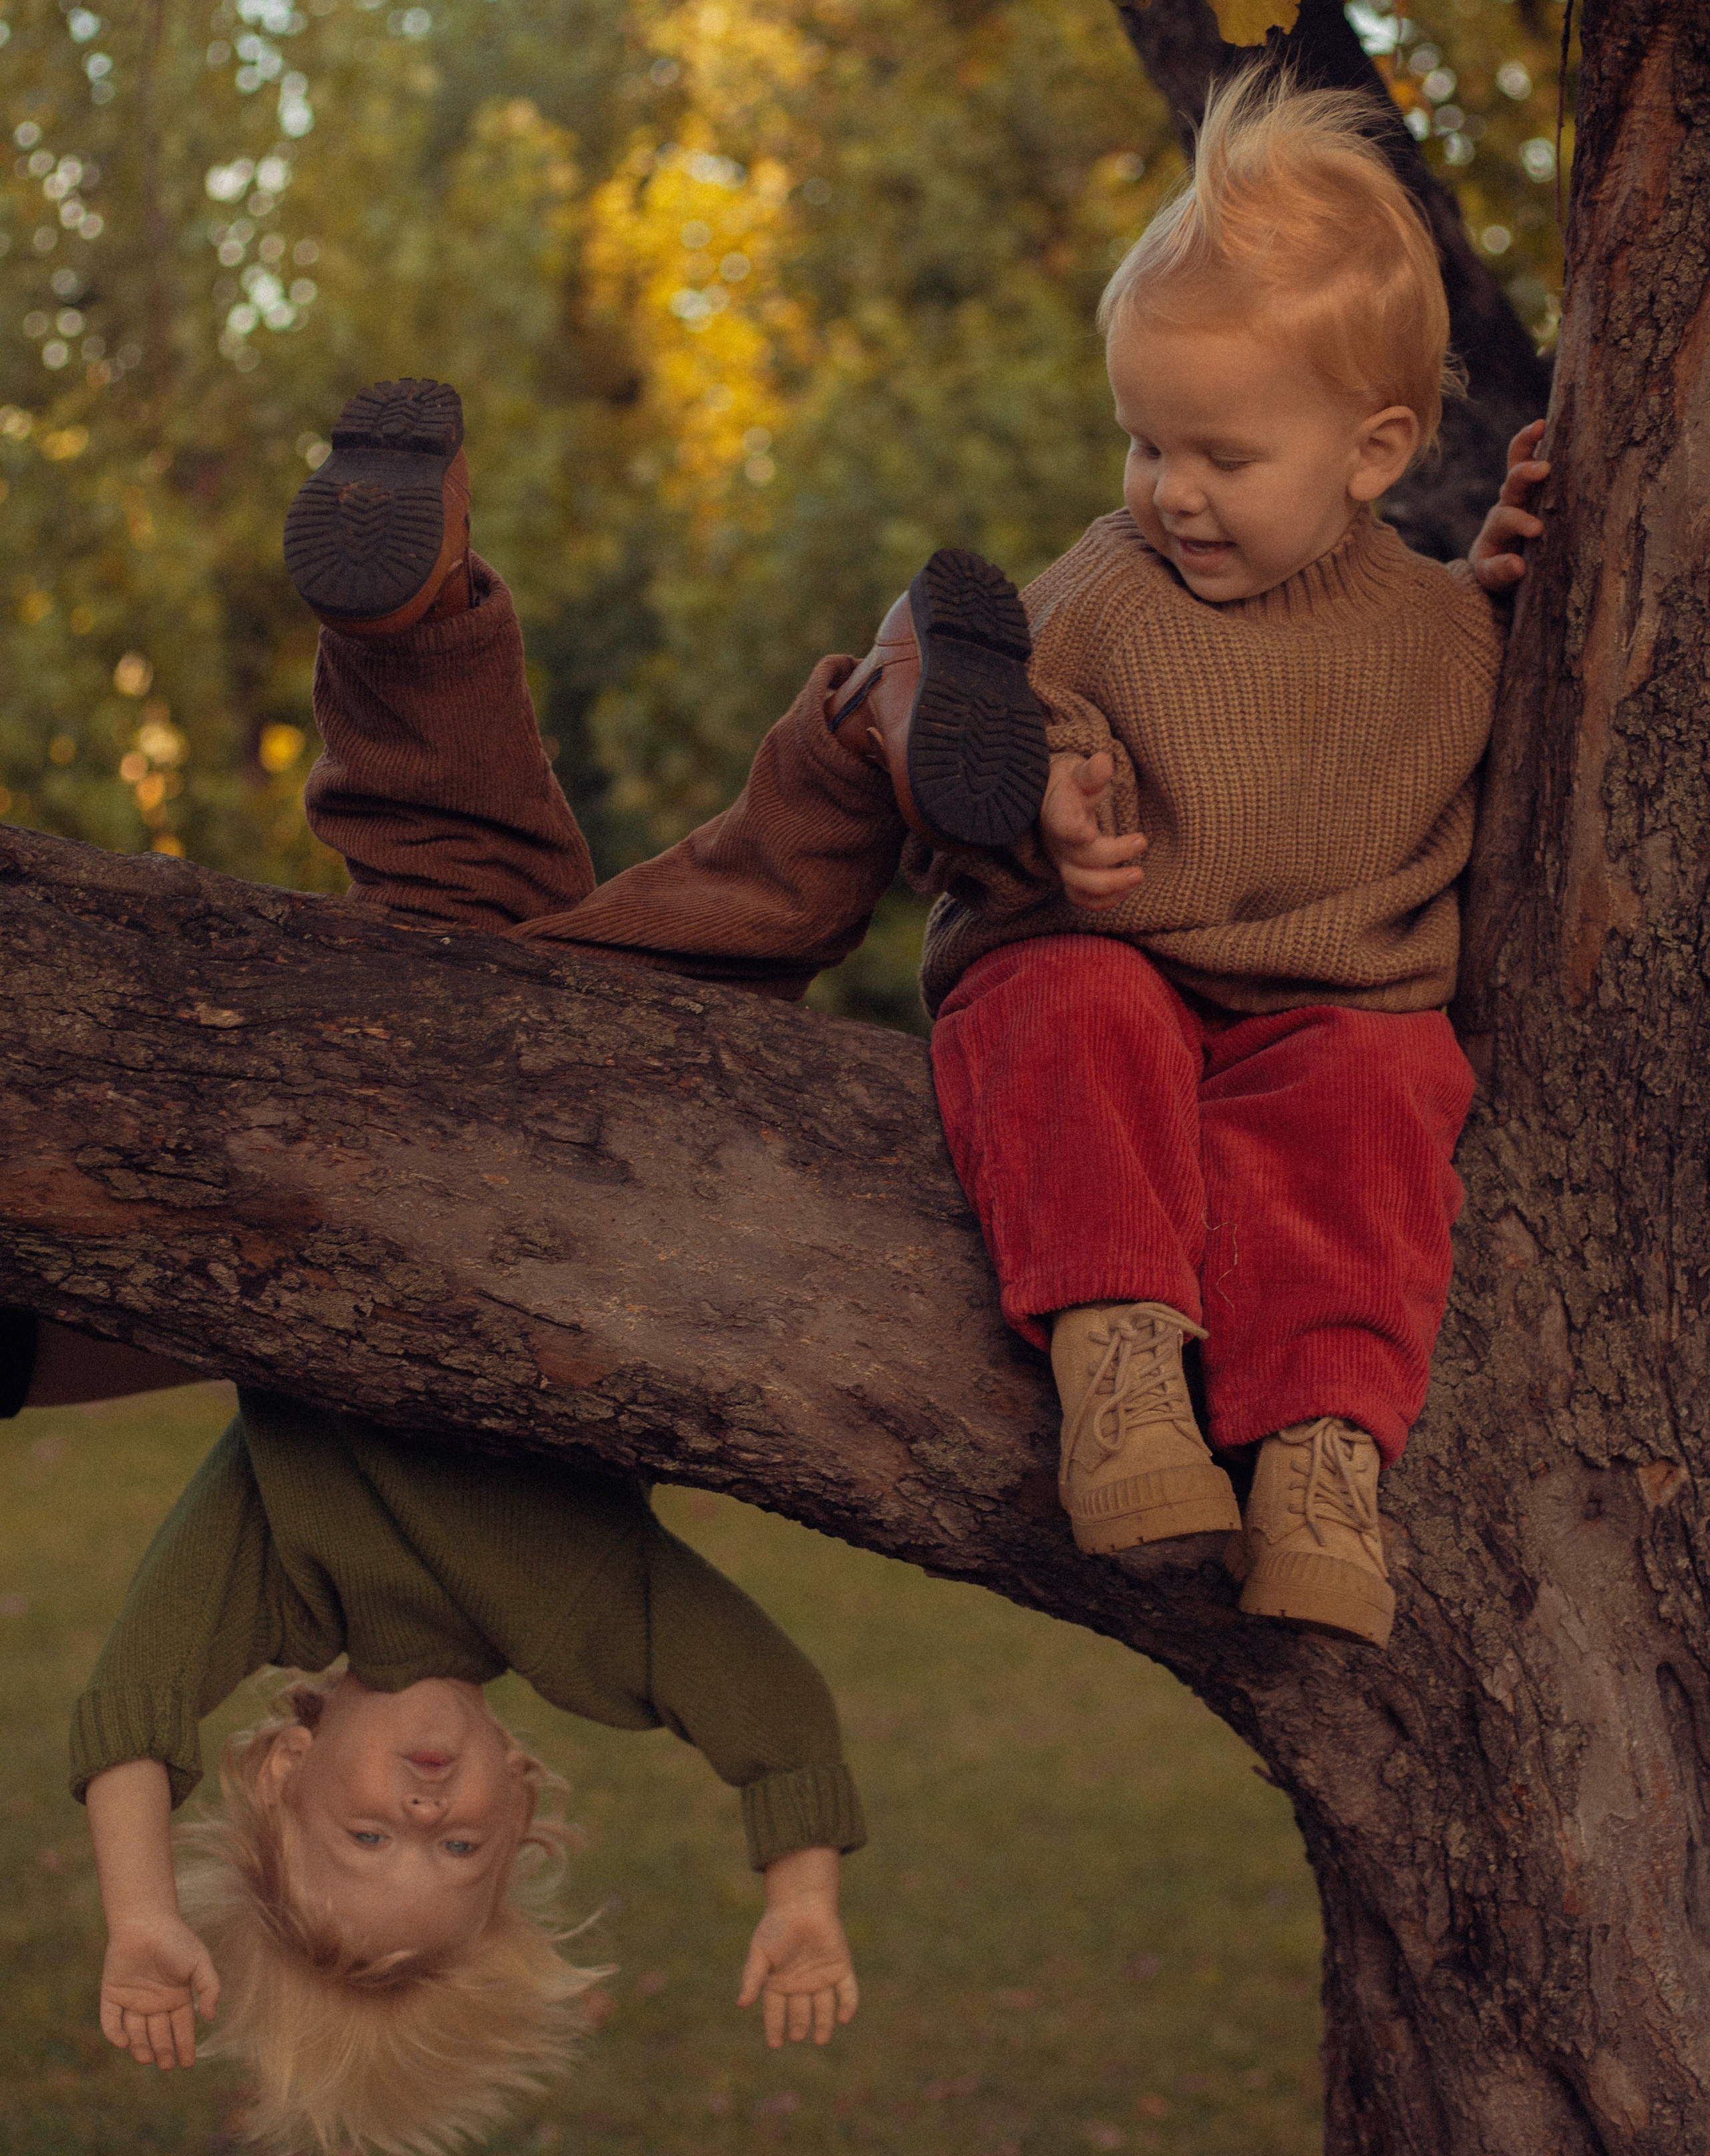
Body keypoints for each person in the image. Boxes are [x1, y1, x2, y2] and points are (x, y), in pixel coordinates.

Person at [292, 73, 1547, 1654]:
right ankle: (1118, 1369)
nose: (1168, 488)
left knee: (1372, 1098)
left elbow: (1482, 692)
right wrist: (1042, 800)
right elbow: (1031, 720)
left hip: (1324, 998)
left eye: (1219, 453)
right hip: (1103, 952)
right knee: (1070, 1003)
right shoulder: (1110, 580)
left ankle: (1319, 1457)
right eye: (1142, 440)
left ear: (1373, 452)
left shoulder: (1441, 633)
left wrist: (1511, 583)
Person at [4, 1317, 862, 2156]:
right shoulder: (579, 1630)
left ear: (284, 1769)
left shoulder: (282, 1569)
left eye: (370, 1837)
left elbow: (133, 1700)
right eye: (458, 1844)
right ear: (518, 1797)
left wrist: (145, 1913)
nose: (423, 1809)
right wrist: (801, 1901)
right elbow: (775, 1714)